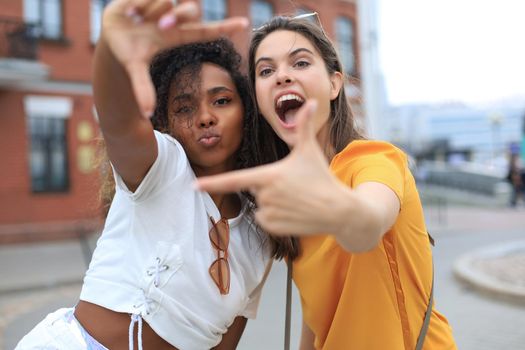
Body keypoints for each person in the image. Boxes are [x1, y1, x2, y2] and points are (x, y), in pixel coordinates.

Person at [16, 1, 273, 349]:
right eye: (184, 107)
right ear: (164, 124)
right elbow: (118, 120)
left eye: (221, 101)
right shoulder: (163, 167)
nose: (205, 117)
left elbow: (224, 340)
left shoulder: (260, 235)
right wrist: (111, 51)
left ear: (246, 112)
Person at [197, 15, 457, 350]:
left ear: (335, 84)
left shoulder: (374, 160)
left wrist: (345, 212)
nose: (283, 76)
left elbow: (369, 218)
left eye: (300, 62)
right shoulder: (294, 196)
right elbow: (319, 313)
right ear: (260, 104)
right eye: (265, 71)